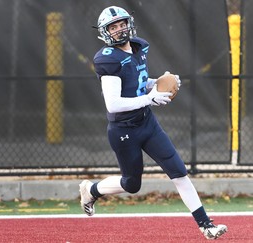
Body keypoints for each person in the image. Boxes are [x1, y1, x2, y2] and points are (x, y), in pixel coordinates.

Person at [79, 6, 227, 240]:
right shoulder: (108, 60)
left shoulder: (138, 47)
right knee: (131, 184)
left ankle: (206, 225)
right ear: (105, 32)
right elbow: (113, 104)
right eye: (113, 27)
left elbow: (138, 80)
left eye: (122, 24)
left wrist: (158, 82)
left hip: (147, 123)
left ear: (130, 23)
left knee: (179, 172)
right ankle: (91, 190)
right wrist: (149, 98)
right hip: (123, 129)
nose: (120, 29)